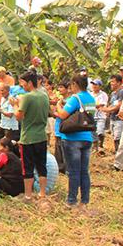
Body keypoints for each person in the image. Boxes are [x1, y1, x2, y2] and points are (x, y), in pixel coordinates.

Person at [54, 75, 96, 207]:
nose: (70, 87)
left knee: (73, 171)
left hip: (73, 138)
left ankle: (72, 200)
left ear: (76, 84)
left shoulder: (75, 98)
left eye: (71, 85)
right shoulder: (91, 98)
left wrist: (58, 105)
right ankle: (84, 200)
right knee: (84, 171)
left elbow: (63, 115)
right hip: (87, 137)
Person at [14, 71, 50, 201]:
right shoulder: (44, 95)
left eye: (23, 83)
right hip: (41, 136)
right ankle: (42, 193)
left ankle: (28, 195)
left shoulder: (27, 97)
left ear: (29, 83)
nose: (22, 86)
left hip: (28, 138)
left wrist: (15, 105)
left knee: (27, 167)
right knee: (42, 166)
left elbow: (19, 116)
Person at [104, 75, 123, 154]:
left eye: (113, 81)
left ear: (119, 82)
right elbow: (111, 104)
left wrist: (106, 109)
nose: (111, 83)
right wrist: (107, 111)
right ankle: (118, 153)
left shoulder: (122, 92)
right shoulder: (113, 93)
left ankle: (119, 153)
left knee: (118, 137)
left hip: (119, 119)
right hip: (113, 118)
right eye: (111, 81)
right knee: (114, 136)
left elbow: (118, 106)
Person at [90, 79, 108, 154]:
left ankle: (100, 145)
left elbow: (101, 104)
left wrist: (90, 105)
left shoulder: (103, 94)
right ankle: (95, 147)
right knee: (93, 132)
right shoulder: (90, 94)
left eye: (96, 84)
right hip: (91, 115)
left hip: (100, 116)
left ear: (100, 86)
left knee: (99, 131)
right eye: (93, 84)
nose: (94, 86)